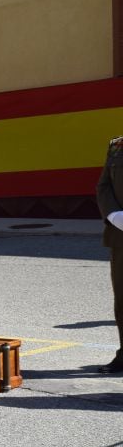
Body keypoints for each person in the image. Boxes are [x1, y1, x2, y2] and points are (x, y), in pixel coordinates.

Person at [96, 135, 123, 374]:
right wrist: (115, 216)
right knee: (122, 299)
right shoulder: (117, 145)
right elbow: (103, 186)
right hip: (121, 235)